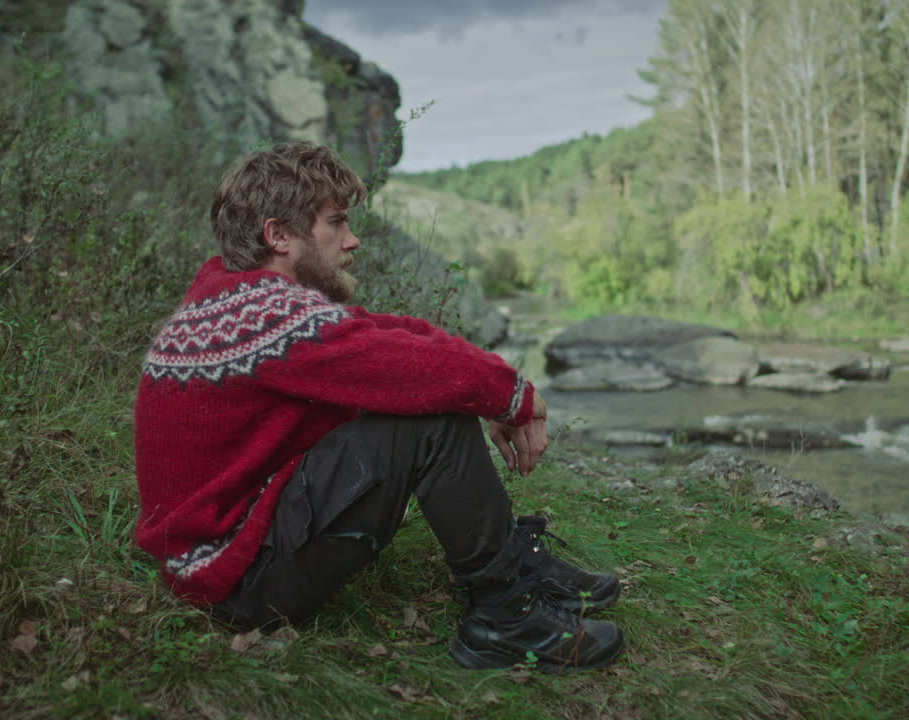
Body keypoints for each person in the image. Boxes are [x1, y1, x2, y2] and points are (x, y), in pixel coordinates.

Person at [133, 142, 624, 672]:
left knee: (415, 390)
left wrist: (499, 389)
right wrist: (516, 398)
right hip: (237, 579)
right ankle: (504, 615)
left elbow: (394, 335)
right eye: (336, 222)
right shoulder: (265, 318)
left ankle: (514, 564)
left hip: (225, 558)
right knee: (432, 418)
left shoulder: (237, 301)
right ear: (279, 235)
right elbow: (422, 370)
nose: (352, 239)